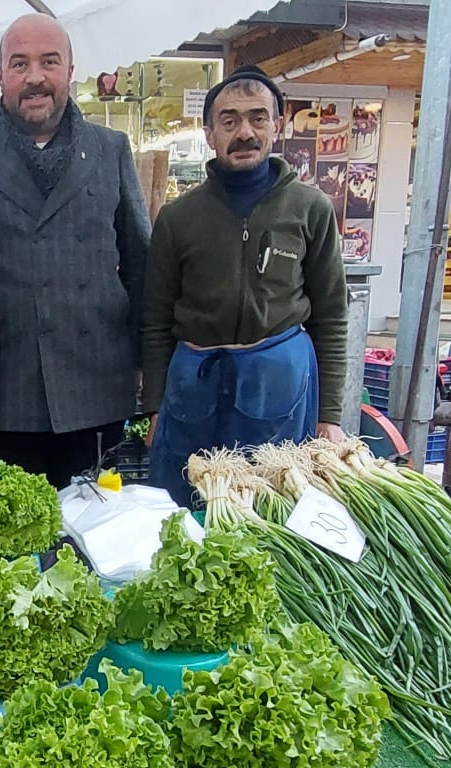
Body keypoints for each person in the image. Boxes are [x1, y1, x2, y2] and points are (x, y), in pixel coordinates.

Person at [0, 13, 150, 490]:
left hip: (98, 384)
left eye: (48, 62)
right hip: (11, 392)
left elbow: (141, 267)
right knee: (24, 538)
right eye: (19, 64)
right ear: (0, 77)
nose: (35, 77)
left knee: (96, 532)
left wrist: (150, 381)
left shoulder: (111, 149)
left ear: (70, 70)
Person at [140, 65, 349, 507]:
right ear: (209, 133)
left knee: (272, 509)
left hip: (279, 383)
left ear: (277, 124)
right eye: (229, 120)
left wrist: (329, 415)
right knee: (183, 505)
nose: (244, 132)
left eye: (257, 118)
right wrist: (155, 406)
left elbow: (331, 316)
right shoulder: (179, 218)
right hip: (193, 385)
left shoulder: (311, 209)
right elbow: (155, 320)